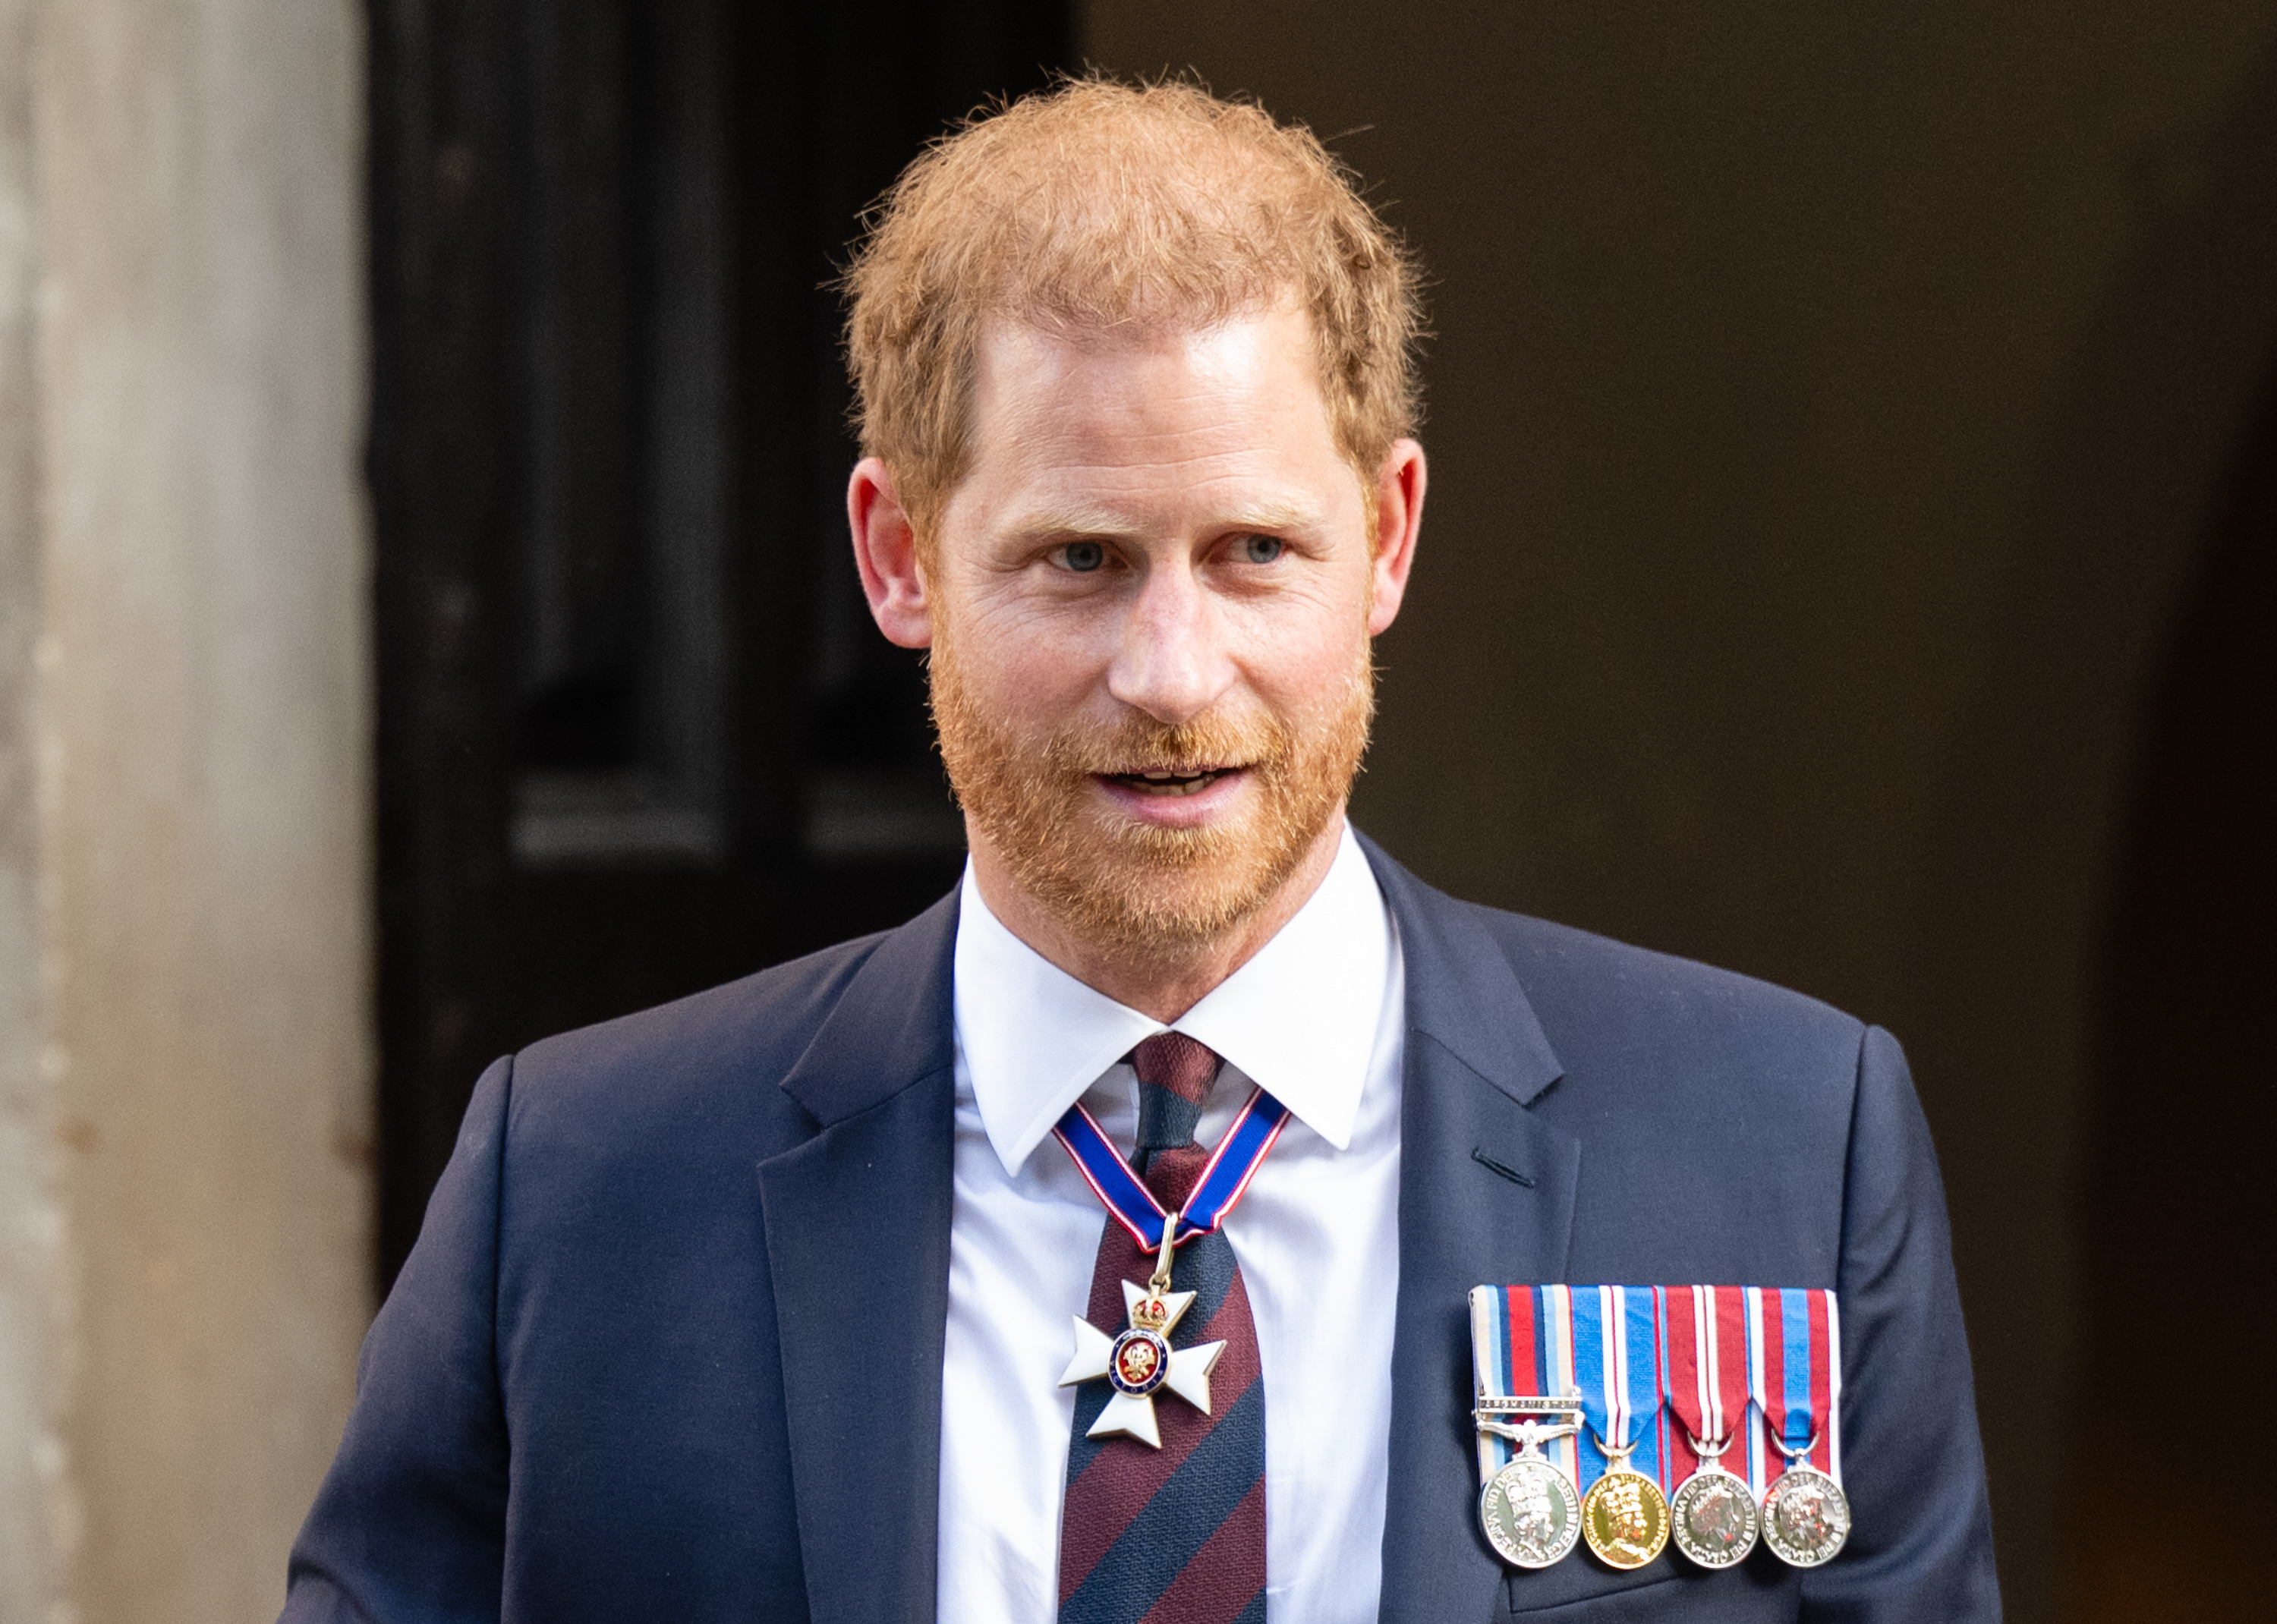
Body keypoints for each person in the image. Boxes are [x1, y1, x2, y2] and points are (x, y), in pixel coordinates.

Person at [281, 77, 2000, 1622]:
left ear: (1388, 535)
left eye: (1256, 549)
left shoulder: (1783, 1149)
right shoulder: (581, 1195)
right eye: (1081, 559)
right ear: (898, 557)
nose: (1173, 677)